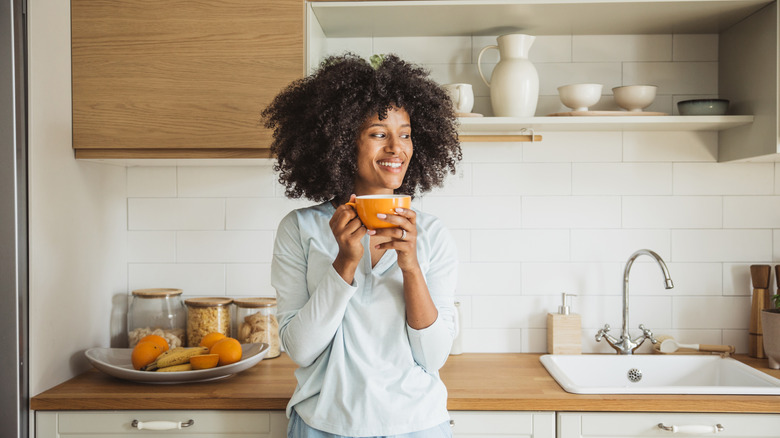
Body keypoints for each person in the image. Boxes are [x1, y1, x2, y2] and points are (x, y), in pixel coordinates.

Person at [262, 53, 462, 438]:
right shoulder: (299, 229)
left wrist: (411, 267)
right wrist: (345, 264)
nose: (396, 148)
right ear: (340, 141)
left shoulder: (432, 235)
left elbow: (434, 356)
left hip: (418, 426)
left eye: (404, 133)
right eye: (378, 133)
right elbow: (299, 349)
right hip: (324, 425)